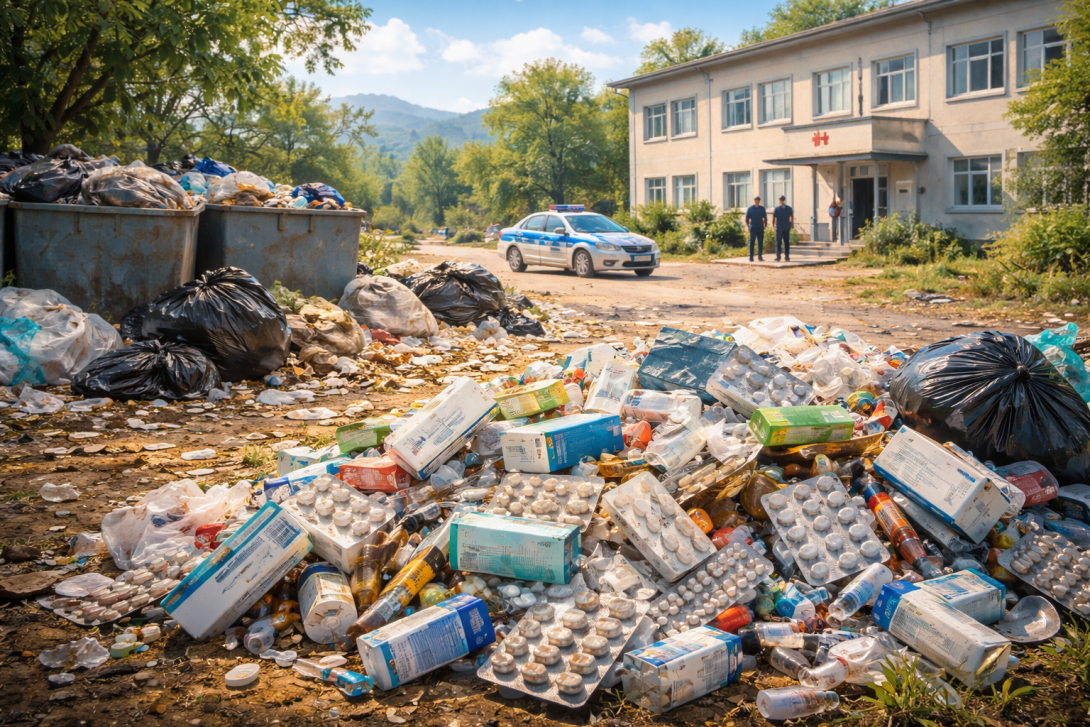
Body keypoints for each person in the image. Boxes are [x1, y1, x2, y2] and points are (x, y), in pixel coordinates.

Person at [744, 196, 768, 262]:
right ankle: (751, 257)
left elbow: (765, 218)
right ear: (754, 201)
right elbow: (747, 218)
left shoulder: (762, 208)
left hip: (760, 226)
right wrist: (748, 226)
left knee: (760, 242)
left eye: (758, 200)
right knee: (752, 242)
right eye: (756, 200)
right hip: (753, 226)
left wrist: (765, 225)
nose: (757, 201)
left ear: (759, 201)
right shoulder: (750, 208)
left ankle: (760, 256)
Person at [773, 195, 793, 262]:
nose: (780, 200)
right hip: (784, 226)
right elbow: (791, 218)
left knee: (781, 242)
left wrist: (774, 226)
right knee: (783, 242)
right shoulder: (788, 208)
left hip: (781, 227)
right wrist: (791, 225)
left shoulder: (777, 208)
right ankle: (783, 256)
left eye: (780, 199)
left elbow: (774, 218)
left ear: (780, 200)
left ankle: (782, 256)